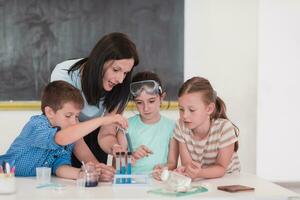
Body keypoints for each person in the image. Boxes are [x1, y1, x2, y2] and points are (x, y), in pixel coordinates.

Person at [50, 32, 139, 174]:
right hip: (65, 137)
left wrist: (114, 147)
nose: (120, 79)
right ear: (100, 60)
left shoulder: (121, 88)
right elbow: (71, 132)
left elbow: (106, 133)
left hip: (94, 140)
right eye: (116, 70)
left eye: (125, 73)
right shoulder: (64, 73)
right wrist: (96, 166)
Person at [0, 81, 125, 179]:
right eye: (68, 116)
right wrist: (103, 120)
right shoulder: (37, 125)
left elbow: (60, 167)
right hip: (4, 177)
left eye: (76, 116)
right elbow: (60, 138)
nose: (73, 122)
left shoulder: (68, 139)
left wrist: (82, 173)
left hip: (28, 186)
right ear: (49, 112)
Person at [173, 76, 241, 180]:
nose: (185, 115)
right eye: (181, 109)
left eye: (191, 110)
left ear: (209, 109)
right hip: (202, 180)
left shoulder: (224, 128)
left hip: (229, 178)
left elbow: (221, 168)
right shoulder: (181, 126)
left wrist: (199, 173)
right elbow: (187, 164)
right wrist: (186, 170)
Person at [117, 71, 177, 174]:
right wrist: (132, 156)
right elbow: (117, 167)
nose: (146, 108)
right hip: (132, 186)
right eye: (139, 102)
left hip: (159, 183)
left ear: (162, 98)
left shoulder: (172, 127)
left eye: (151, 101)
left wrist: (163, 168)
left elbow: (172, 163)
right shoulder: (125, 126)